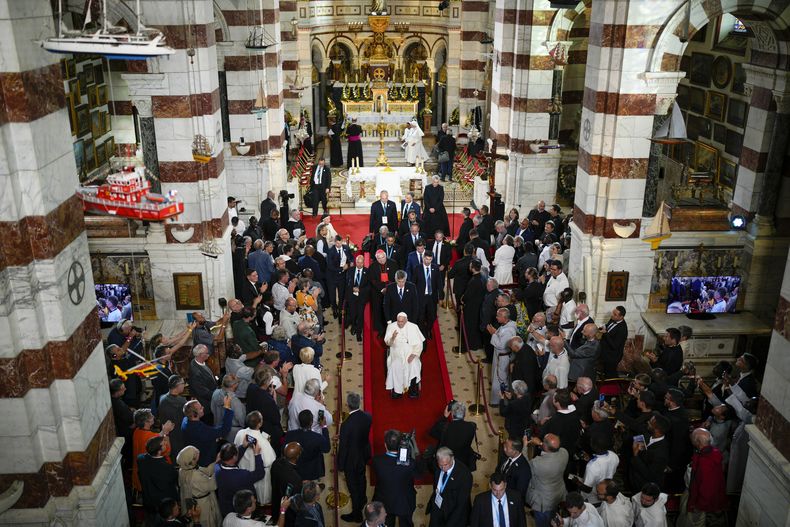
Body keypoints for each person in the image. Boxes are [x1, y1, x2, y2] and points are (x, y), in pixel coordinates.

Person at [680, 428, 727, 527]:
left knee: (693, 522)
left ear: (697, 442)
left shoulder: (705, 463)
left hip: (698, 501)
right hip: (693, 493)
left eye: (692, 438)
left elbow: (706, 487)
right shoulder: (714, 452)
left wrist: (697, 505)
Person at [338, 392, 373, 523]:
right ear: (359, 402)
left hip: (351, 460)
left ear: (348, 405)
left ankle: (357, 514)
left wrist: (340, 465)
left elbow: (344, 447)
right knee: (362, 478)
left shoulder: (346, 425)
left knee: (353, 486)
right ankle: (363, 498)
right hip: (363, 454)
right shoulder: (367, 417)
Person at [372, 429, 418, 527]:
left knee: (386, 523)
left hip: (384, 501)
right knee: (406, 524)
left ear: (385, 445)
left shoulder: (376, 461)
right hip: (405, 501)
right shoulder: (411, 463)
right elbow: (419, 474)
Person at [233, 411, 277, 506]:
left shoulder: (240, 433)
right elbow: (270, 461)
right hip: (258, 477)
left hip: (243, 473)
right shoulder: (263, 442)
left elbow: (236, 448)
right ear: (260, 424)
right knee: (259, 502)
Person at [526, 434, 568, 527]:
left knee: (542, 523)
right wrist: (541, 443)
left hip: (543, 502)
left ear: (545, 446)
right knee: (553, 516)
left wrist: (525, 446)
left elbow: (525, 466)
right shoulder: (565, 453)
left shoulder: (538, 463)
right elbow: (550, 449)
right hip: (558, 494)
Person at [215, 442, 266, 519]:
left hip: (226, 509)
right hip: (241, 511)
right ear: (234, 457)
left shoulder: (217, 467)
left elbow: (231, 459)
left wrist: (243, 446)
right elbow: (260, 473)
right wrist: (257, 455)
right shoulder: (242, 475)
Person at [138, 436, 179, 526]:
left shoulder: (140, 459)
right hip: (163, 504)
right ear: (159, 450)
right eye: (164, 444)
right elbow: (175, 481)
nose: (166, 443)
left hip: (148, 500)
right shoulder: (167, 468)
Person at [176, 445, 222, 527]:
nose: (198, 453)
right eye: (196, 453)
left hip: (192, 501)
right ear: (192, 460)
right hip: (202, 504)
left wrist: (216, 462)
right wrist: (219, 469)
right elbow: (212, 485)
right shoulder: (195, 476)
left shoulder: (183, 469)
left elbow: (206, 471)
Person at [427, 447, 473, 527]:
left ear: (452, 459)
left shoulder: (464, 475)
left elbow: (461, 504)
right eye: (441, 465)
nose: (443, 468)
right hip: (437, 507)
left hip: (453, 513)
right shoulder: (437, 465)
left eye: (446, 465)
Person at [182, 398, 235, 467]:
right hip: (205, 460)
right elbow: (224, 430)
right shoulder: (199, 430)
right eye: (200, 408)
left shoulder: (185, 420)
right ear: (194, 414)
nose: (203, 408)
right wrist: (227, 408)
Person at [132, 409, 174, 492]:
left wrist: (162, 432)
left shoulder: (137, 431)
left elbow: (155, 436)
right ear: (146, 422)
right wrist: (166, 433)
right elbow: (167, 452)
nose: (153, 417)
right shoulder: (151, 437)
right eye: (151, 416)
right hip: (153, 474)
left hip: (140, 470)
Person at [385, 313, 426, 399]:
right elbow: (388, 343)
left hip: (410, 351)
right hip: (396, 351)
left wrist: (414, 354)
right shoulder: (391, 327)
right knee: (396, 364)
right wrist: (392, 338)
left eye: (402, 322)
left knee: (414, 364)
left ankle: (413, 389)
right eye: (398, 321)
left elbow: (419, 344)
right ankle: (397, 390)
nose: (400, 323)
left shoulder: (413, 327)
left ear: (406, 320)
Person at [430, 402, 478, 473]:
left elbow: (432, 432)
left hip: (446, 458)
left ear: (452, 414)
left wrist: (444, 417)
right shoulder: (472, 426)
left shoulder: (444, 427)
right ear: (464, 414)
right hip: (463, 459)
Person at [284, 409, 330, 481]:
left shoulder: (289, 435)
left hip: (295, 470)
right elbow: (327, 449)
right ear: (311, 422)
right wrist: (324, 427)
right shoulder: (318, 438)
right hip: (312, 471)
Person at [629, 414, 671, 492]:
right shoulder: (648, 434)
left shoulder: (661, 453)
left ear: (657, 430)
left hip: (643, 488)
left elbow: (649, 475)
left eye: (650, 422)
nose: (647, 422)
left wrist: (635, 455)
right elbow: (634, 424)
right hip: (634, 479)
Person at [489, 308, 517, 406]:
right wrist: (495, 333)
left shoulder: (509, 330)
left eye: (498, 316)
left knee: (500, 378)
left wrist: (493, 334)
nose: (496, 318)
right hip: (499, 356)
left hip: (503, 358)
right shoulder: (506, 325)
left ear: (504, 318)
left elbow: (501, 345)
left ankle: (498, 401)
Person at [270, 442, 304, 523]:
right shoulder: (295, 479)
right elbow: (296, 502)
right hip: (288, 513)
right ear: (298, 456)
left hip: (276, 501)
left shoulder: (276, 463)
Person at [210, 374, 247, 443]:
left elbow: (212, 409)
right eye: (237, 383)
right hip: (232, 433)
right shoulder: (234, 401)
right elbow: (241, 419)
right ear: (233, 386)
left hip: (218, 429)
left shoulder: (215, 393)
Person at [414, 251, 442, 337]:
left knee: (432, 316)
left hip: (431, 297)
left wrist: (441, 297)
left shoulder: (435, 268)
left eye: (430, 259)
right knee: (421, 316)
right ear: (423, 258)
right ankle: (422, 333)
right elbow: (414, 283)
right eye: (426, 259)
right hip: (421, 296)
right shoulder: (417, 268)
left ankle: (428, 329)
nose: (428, 261)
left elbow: (439, 283)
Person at [158, 375, 188, 456]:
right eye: (183, 383)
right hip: (180, 435)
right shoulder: (182, 402)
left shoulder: (162, 398)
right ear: (177, 385)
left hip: (166, 434)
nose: (184, 385)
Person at [370, 249, 398, 335]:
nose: (382, 260)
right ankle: (380, 330)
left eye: (383, 257)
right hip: (378, 292)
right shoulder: (373, 266)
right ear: (376, 259)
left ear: (386, 256)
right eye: (379, 258)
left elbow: (396, 277)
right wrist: (382, 289)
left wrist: (389, 288)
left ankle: (391, 328)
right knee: (378, 310)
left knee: (390, 310)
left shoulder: (393, 263)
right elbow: (372, 280)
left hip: (391, 290)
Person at [461, 259, 486, 352]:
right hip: (479, 305)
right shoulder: (483, 277)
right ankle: (476, 344)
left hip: (471, 307)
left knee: (469, 326)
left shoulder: (474, 280)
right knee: (476, 326)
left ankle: (467, 346)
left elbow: (467, 295)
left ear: (472, 268)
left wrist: (462, 299)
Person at [327, 235, 354, 318]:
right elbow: (330, 266)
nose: (339, 245)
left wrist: (350, 264)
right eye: (337, 243)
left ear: (342, 241)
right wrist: (342, 269)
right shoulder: (330, 251)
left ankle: (340, 310)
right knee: (332, 296)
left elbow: (351, 258)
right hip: (332, 277)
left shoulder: (346, 248)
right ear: (335, 242)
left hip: (342, 277)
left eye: (340, 243)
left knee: (341, 294)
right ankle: (334, 309)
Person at [345, 254, 370, 341]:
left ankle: (359, 333)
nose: (359, 264)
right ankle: (353, 327)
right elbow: (347, 283)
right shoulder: (350, 270)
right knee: (352, 313)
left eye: (361, 262)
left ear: (364, 263)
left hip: (361, 297)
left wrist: (360, 289)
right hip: (352, 296)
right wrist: (351, 288)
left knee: (360, 315)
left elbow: (369, 286)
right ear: (356, 262)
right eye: (357, 262)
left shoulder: (367, 271)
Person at [598, 306, 628, 377]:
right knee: (605, 371)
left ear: (621, 317)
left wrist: (605, 333)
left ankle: (612, 385)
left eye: (615, 314)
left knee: (610, 374)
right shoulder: (612, 319)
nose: (612, 315)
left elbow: (615, 345)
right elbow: (608, 327)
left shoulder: (622, 329)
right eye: (613, 313)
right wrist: (603, 327)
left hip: (612, 357)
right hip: (605, 352)